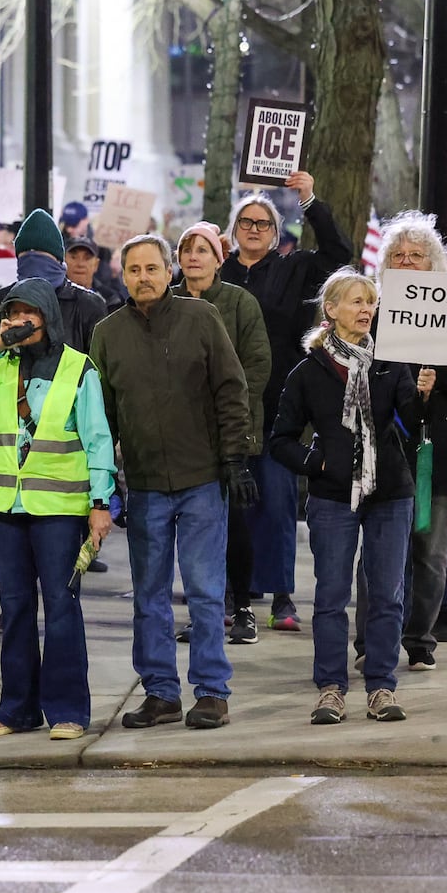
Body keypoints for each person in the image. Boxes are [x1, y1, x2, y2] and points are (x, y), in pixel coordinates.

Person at [92, 235, 254, 731]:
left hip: (203, 478)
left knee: (205, 592)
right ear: (124, 275)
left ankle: (211, 692)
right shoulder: (106, 333)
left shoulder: (201, 318)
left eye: (152, 268)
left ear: (170, 272)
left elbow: (231, 388)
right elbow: (101, 417)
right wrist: (105, 486)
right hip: (142, 483)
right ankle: (160, 693)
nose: (143, 277)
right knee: (150, 595)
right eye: (134, 269)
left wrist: (236, 458)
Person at [0, 279, 115, 741]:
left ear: (47, 317)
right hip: (7, 504)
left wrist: (101, 505)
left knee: (61, 605)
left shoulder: (78, 369)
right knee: (16, 607)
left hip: (60, 507)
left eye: (27, 313)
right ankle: (16, 709)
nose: (17, 320)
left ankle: (68, 711)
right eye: (10, 313)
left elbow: (98, 441)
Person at [273, 268, 428, 724]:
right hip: (332, 496)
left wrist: (423, 394)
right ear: (332, 309)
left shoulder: (390, 363)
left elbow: (415, 422)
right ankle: (331, 689)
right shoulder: (309, 371)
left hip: (390, 491)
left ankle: (381, 687)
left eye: (371, 302)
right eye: (356, 301)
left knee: (386, 595)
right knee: (332, 596)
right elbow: (281, 439)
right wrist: (318, 464)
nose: (366, 310)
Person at [218, 173, 353, 633]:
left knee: (277, 502)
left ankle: (280, 597)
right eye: (245, 222)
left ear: (277, 234)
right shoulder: (217, 275)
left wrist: (309, 200)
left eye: (263, 224)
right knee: (227, 506)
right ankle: (231, 596)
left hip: (278, 406)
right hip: (222, 410)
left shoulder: (294, 268)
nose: (254, 229)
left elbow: (339, 254)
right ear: (233, 231)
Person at [366, 213, 447, 672]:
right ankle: (371, 638)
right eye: (398, 255)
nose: (406, 262)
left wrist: (435, 379)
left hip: (430, 451)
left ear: (433, 265)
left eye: (415, 256)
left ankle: (418, 638)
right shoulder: (367, 308)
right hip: (384, 450)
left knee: (429, 550)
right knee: (377, 552)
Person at [170, 222, 270, 645]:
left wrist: (222, 410)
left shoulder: (239, 302)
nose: (194, 256)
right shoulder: (166, 302)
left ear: (218, 258)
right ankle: (204, 611)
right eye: (187, 249)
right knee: (195, 530)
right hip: (181, 435)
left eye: (203, 250)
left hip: (232, 430)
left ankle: (243, 607)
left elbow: (258, 365)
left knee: (236, 523)